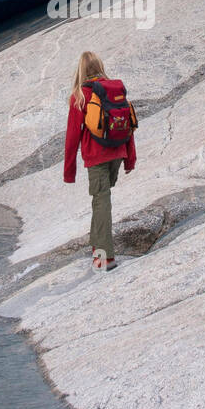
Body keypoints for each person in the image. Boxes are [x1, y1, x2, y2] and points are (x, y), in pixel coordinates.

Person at [63, 51, 135, 270]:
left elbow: (72, 135)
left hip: (97, 157)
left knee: (101, 202)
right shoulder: (115, 90)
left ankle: (105, 258)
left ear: (81, 70)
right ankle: (97, 248)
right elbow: (130, 124)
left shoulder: (80, 96)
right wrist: (130, 158)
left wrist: (69, 171)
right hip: (118, 152)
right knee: (100, 200)